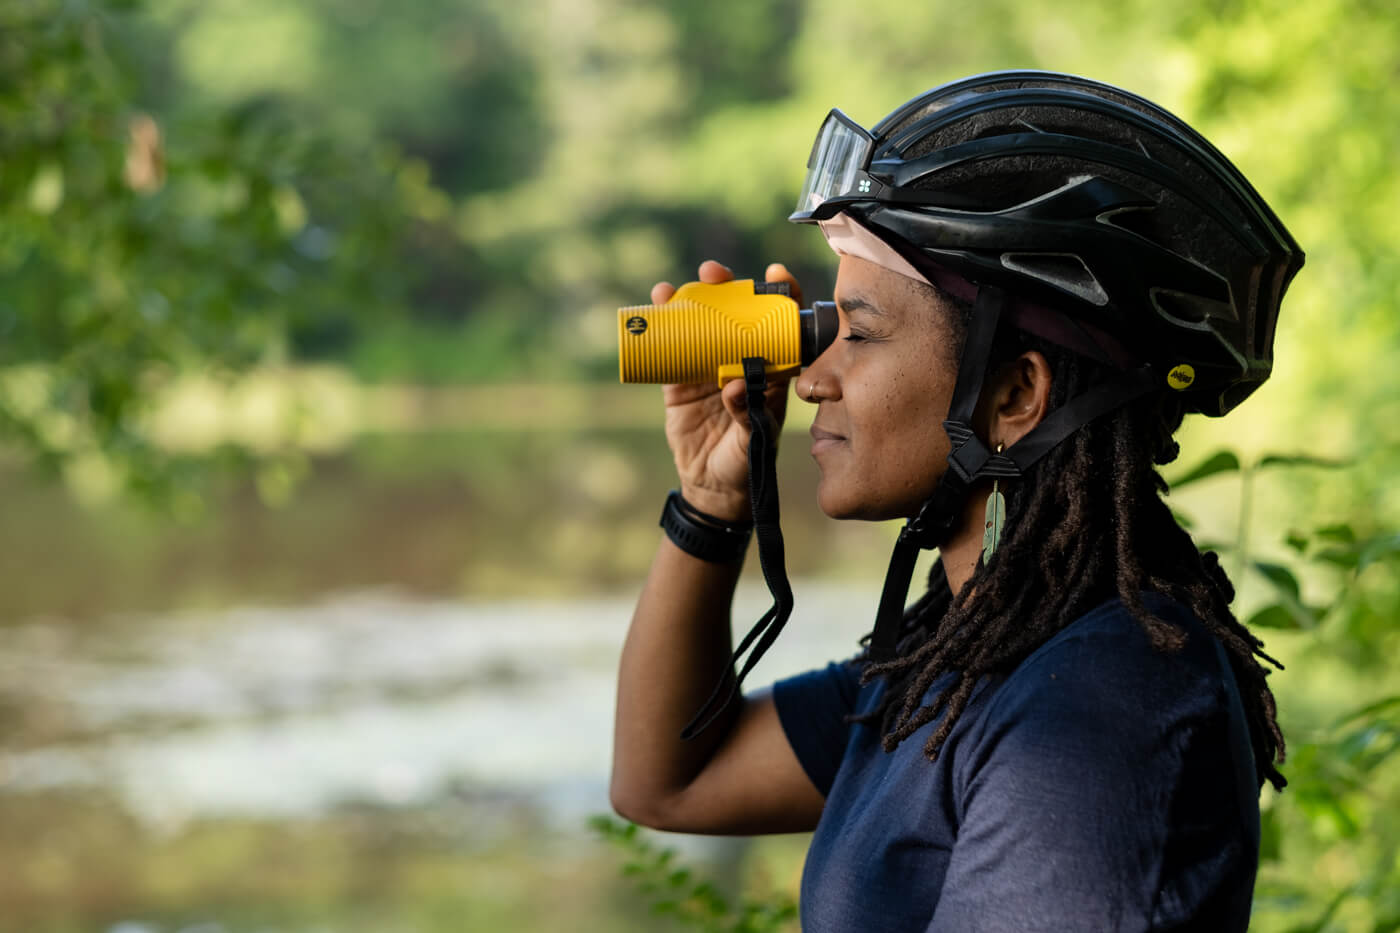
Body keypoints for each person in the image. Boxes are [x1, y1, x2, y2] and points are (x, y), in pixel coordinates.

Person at [610, 70, 1302, 931]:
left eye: (856, 333)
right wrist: (712, 501)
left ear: (1016, 393)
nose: (813, 376)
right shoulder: (958, 651)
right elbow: (667, 782)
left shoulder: (1103, 711)